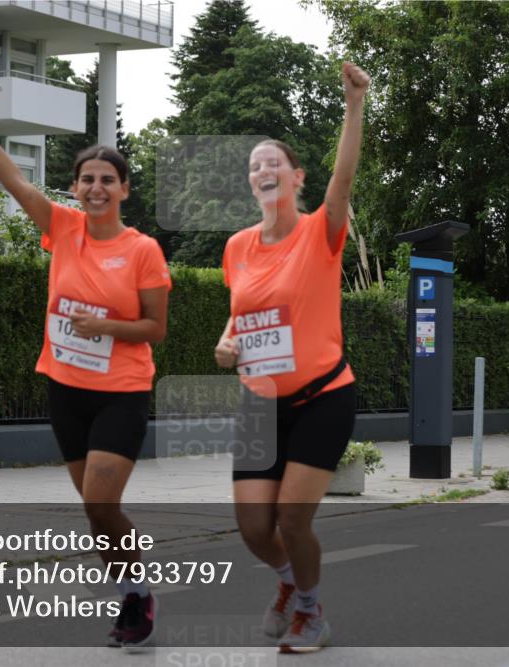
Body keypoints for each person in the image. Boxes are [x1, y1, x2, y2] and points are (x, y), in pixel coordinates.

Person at [0, 89, 171, 651]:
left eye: (108, 180)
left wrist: (107, 329)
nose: (97, 188)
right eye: (87, 180)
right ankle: (133, 588)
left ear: (124, 189)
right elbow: (13, 181)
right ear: (75, 187)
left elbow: (155, 328)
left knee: (101, 503)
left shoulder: (143, 249)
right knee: (96, 511)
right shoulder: (64, 229)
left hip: (121, 391)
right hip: (66, 387)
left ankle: (138, 592)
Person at [213, 62, 370, 654]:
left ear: (296, 177)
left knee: (292, 521)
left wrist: (353, 105)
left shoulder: (320, 232)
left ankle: (311, 611)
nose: (263, 170)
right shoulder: (237, 248)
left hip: (323, 395)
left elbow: (345, 178)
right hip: (261, 402)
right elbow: (243, 315)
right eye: (255, 166)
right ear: (252, 184)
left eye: (273, 162)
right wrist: (227, 346)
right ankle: (286, 584)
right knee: (254, 527)